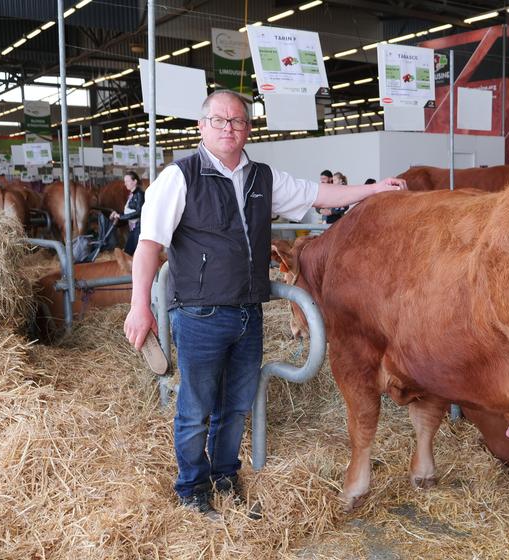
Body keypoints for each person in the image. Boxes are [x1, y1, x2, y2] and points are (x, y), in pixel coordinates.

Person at [123, 90, 407, 518]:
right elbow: (149, 247)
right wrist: (139, 306)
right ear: (202, 127)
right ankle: (192, 488)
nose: (228, 129)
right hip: (199, 314)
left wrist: (375, 190)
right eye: (219, 121)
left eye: (237, 121)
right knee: (196, 407)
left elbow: (318, 195)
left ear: (248, 129)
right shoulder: (179, 177)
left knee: (236, 406)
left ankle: (224, 475)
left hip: (247, 313)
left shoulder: (263, 178)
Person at [109, 171, 145, 255]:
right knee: (128, 253)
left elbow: (139, 213)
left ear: (135, 182)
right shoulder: (132, 195)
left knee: (135, 254)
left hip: (139, 229)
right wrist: (116, 213)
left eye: (127, 181)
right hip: (134, 228)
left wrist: (120, 216)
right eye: (125, 181)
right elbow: (128, 211)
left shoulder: (140, 194)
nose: (125, 184)